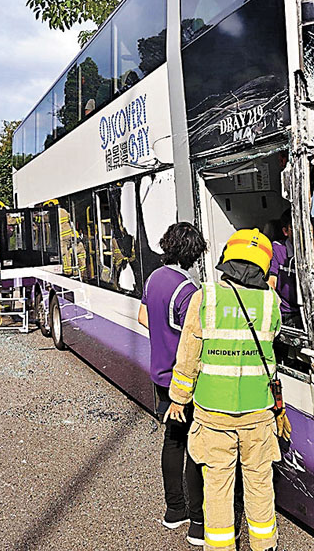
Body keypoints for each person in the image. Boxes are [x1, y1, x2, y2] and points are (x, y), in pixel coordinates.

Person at [168, 228, 288, 551]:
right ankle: (264, 545)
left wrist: (178, 398)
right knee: (260, 483)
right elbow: (274, 337)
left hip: (213, 414)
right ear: (263, 265)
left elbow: (188, 354)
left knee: (218, 486)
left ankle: (220, 547)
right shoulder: (270, 302)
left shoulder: (205, 298)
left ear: (227, 259)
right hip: (258, 413)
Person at [137, 222, 207, 545]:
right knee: (194, 446)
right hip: (183, 378)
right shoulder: (188, 290)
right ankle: (197, 523)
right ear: (193, 253)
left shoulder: (153, 278)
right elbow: (194, 337)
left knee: (173, 440)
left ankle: (173, 510)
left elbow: (142, 317)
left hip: (159, 374)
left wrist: (164, 337)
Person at [268, 212, 314, 328]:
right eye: (296, 228)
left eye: (307, 227)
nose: (303, 233)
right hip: (287, 313)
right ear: (286, 231)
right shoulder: (278, 249)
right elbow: (271, 282)